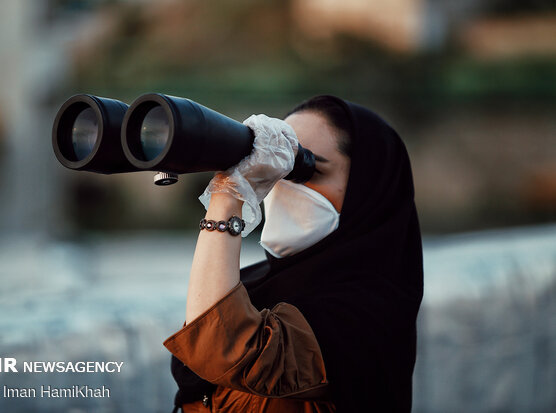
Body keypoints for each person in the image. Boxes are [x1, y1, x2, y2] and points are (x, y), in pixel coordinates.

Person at [163, 95, 424, 412]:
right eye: (278, 166)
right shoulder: (253, 284)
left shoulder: (369, 313)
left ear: (366, 192)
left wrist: (228, 197)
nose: (282, 183)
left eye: (304, 169)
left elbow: (222, 347)